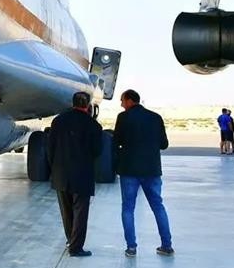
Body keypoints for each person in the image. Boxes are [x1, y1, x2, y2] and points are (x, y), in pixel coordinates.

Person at [112, 89, 174, 257]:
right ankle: (166, 245)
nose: (121, 104)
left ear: (130, 101)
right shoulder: (155, 117)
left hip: (129, 170)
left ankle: (131, 247)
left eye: (122, 100)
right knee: (157, 206)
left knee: (128, 208)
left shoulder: (123, 118)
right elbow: (164, 144)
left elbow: (116, 141)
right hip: (152, 170)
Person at [46, 91, 103, 257]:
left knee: (66, 210)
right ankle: (76, 247)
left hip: (61, 174)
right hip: (82, 174)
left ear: (73, 103)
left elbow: (50, 149)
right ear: (88, 106)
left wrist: (54, 168)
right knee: (80, 212)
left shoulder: (58, 121)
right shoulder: (93, 126)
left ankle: (70, 239)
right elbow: (97, 151)